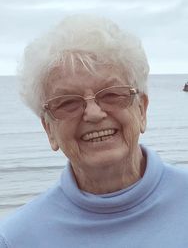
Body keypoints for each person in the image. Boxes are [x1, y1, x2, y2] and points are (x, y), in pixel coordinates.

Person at [0, 14, 188, 248]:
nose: (94, 113)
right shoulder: (16, 238)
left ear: (141, 110)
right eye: (67, 102)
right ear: (49, 129)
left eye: (111, 94)